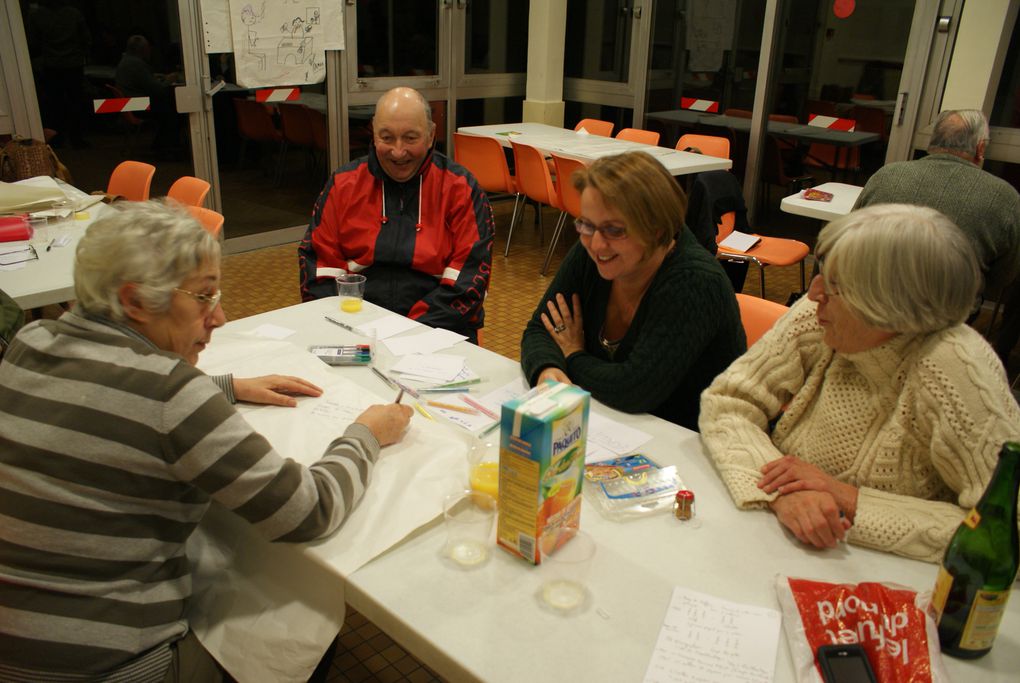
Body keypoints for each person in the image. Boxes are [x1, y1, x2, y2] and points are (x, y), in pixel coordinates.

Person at [0, 201, 413, 681]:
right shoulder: (172, 396)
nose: (218, 318)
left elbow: (107, 397)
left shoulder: (30, 343)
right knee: (297, 622)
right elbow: (309, 511)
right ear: (134, 301)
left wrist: (227, 386)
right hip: (114, 665)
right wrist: (366, 433)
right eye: (203, 297)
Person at [700, 204, 1020, 563]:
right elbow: (727, 401)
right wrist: (783, 493)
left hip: (892, 576)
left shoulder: (955, 368)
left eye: (836, 285)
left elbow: (1007, 532)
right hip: (781, 540)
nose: (814, 293)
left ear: (891, 305)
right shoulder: (820, 317)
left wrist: (848, 500)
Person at [520, 151, 746, 431]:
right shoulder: (590, 251)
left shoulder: (695, 282)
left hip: (691, 442)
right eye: (586, 224)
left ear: (657, 231)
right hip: (618, 427)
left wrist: (572, 356)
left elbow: (634, 390)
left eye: (615, 231)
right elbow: (539, 329)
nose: (597, 244)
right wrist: (548, 370)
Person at [298, 87, 494, 343]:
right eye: (387, 138)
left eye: (411, 138)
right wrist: (352, 324)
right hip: (355, 328)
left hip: (439, 329)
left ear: (431, 134)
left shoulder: (460, 188)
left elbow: (469, 283)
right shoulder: (343, 184)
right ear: (373, 132)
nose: (398, 151)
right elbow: (318, 270)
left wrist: (407, 333)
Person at [853, 109, 1020, 300]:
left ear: (933, 141)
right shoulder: (1005, 197)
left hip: (869, 299)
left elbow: (848, 237)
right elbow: (1004, 277)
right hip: (947, 312)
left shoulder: (886, 175)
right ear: (980, 148)